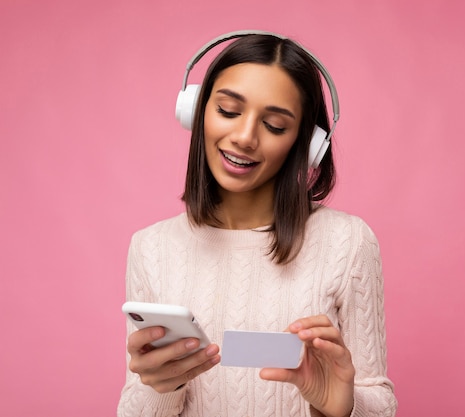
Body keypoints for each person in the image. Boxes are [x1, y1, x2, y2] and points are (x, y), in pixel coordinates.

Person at [118, 31, 397, 417]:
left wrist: (339, 406)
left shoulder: (347, 242)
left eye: (275, 126)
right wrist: (162, 387)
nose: (245, 137)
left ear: (307, 144)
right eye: (229, 111)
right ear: (195, 111)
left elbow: (380, 402)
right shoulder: (151, 248)